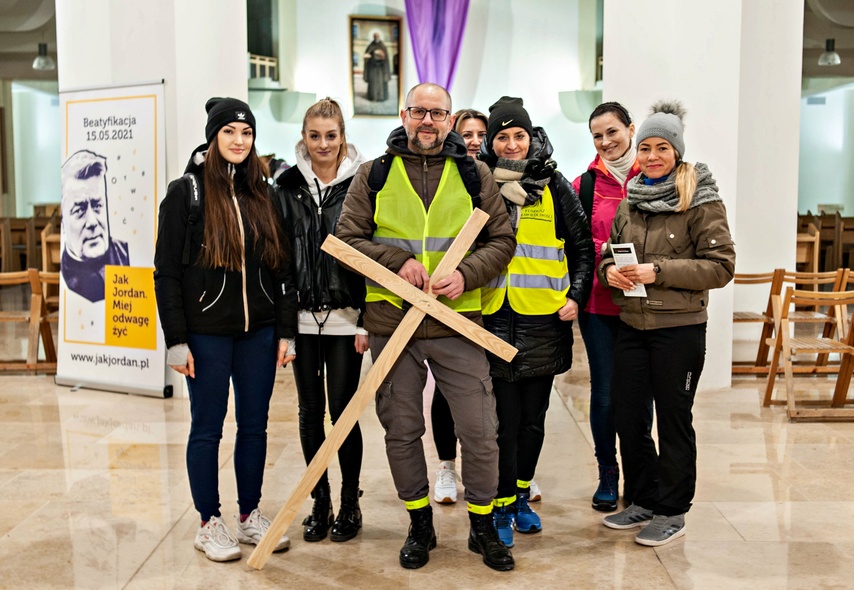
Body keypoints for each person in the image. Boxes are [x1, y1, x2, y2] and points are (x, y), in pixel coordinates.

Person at [336, 82, 517, 572]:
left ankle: (482, 525)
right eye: (419, 111)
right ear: (404, 115)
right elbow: (346, 239)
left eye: (438, 114)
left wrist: (467, 274)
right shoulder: (374, 174)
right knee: (401, 430)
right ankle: (419, 523)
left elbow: (502, 240)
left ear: (450, 120)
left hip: (458, 323)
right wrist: (397, 262)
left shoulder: (474, 174)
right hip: (393, 325)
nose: (428, 121)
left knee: (480, 432)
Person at [154, 97, 297, 562]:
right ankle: (208, 522)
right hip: (206, 334)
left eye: (247, 133)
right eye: (229, 132)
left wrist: (286, 331)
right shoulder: (186, 193)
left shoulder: (264, 193)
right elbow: (166, 273)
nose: (239, 140)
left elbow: (283, 270)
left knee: (255, 426)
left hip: (259, 332)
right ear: (213, 137)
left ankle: (249, 514)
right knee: (207, 428)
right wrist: (176, 340)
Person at [599, 101, 735, 547]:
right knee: (628, 416)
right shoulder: (631, 201)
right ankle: (643, 498)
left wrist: (657, 271)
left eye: (662, 147)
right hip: (632, 326)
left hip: (679, 329)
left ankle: (672, 509)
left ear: (677, 151)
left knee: (674, 419)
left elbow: (720, 267)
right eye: (645, 148)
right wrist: (609, 272)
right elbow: (608, 255)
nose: (652, 156)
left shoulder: (701, 200)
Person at [478, 97, 593, 548]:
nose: (511, 144)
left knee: (533, 421)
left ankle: (522, 495)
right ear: (490, 142)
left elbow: (582, 248)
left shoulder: (555, 186)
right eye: (502, 137)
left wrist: (576, 295)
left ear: (531, 137)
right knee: (502, 422)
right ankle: (502, 502)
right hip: (493, 318)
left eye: (519, 135)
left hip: (543, 320)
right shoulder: (479, 183)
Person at [273, 98, 368, 543]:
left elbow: (373, 252)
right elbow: (278, 261)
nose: (323, 144)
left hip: (347, 319)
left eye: (331, 135)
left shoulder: (363, 183)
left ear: (342, 136)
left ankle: (350, 501)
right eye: (315, 136)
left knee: (343, 412)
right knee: (310, 413)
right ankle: (320, 498)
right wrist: (284, 328)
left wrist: (367, 320)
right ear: (304, 137)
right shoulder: (286, 187)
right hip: (302, 319)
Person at [571, 102, 641, 512]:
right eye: (597, 136)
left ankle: (639, 473)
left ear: (630, 129)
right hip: (599, 304)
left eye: (612, 131)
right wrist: (607, 259)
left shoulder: (654, 176)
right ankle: (607, 472)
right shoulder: (583, 185)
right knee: (605, 394)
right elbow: (576, 243)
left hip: (644, 304)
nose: (605, 141)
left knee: (641, 395)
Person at [430, 108, 490, 505]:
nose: (474, 141)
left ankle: (501, 474)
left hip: (493, 303)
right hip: (450, 302)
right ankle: (447, 466)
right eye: (467, 133)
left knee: (484, 399)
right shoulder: (447, 174)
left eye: (481, 134)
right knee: (446, 392)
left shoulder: (488, 179)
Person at [60, 149, 130, 303]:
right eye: (79, 210)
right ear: (63, 222)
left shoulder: (126, 254)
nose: (92, 222)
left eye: (98, 205)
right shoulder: (64, 279)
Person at [363, 32, 390, 102]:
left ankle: (381, 97)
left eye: (377, 36)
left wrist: (382, 57)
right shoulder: (370, 45)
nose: (376, 37)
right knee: (373, 83)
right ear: (373, 37)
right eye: (375, 36)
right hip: (373, 68)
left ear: (379, 37)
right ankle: (373, 97)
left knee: (380, 83)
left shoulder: (383, 46)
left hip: (381, 69)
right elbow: (367, 55)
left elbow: (386, 59)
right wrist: (368, 57)